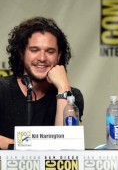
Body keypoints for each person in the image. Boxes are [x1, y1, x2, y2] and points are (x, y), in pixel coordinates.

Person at [0, 16, 84, 149]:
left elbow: (66, 146)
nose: (42, 58)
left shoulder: (72, 95)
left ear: (59, 56)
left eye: (50, 51)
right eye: (34, 50)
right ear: (22, 53)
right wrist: (25, 147)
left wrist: (63, 88)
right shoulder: (2, 89)